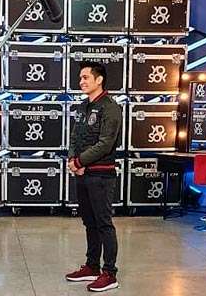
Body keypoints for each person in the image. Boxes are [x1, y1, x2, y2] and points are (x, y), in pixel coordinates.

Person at [65, 61, 122, 292]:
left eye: (86, 77)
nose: (81, 82)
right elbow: (75, 136)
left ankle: (110, 273)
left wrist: (79, 162)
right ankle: (92, 266)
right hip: (82, 174)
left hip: (101, 176)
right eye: (80, 78)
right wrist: (72, 159)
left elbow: (105, 143)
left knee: (103, 224)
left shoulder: (111, 108)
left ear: (99, 80)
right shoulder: (82, 107)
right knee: (89, 222)